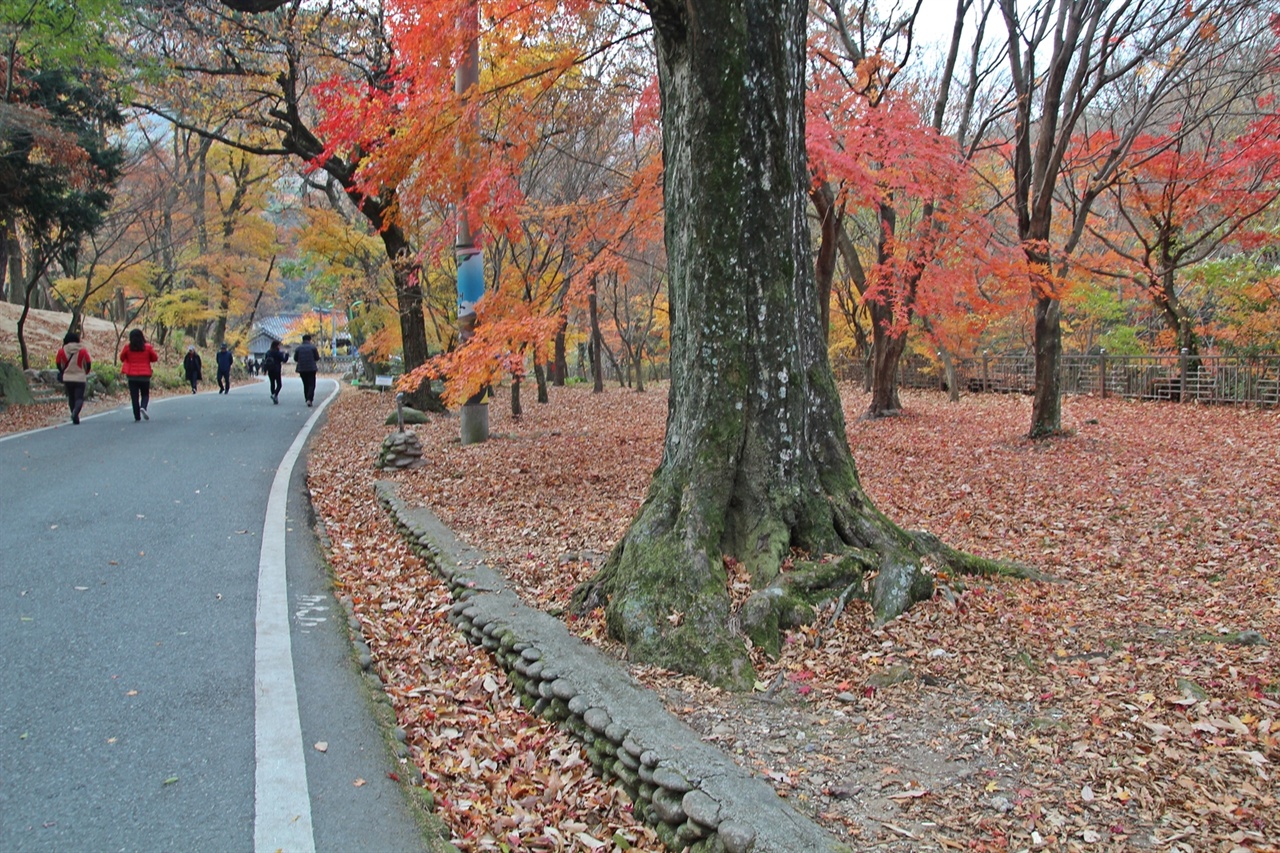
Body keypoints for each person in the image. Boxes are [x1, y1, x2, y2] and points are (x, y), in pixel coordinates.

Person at [120, 329, 159, 421]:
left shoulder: (127, 348)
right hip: (145, 375)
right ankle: (143, 407)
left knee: (134, 396)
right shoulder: (147, 347)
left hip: (132, 376)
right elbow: (155, 358)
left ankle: (137, 416)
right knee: (145, 394)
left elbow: (122, 358)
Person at [55, 332, 92, 425]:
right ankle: (76, 413)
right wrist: (85, 372)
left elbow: (58, 363)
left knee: (71, 397)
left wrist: (64, 371)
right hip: (80, 377)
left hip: (67, 378)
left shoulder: (61, 351)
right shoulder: (82, 351)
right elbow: (88, 363)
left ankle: (74, 415)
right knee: (79, 398)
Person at [293, 333, 320, 407]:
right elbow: (317, 358)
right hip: (311, 368)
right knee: (312, 384)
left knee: (305, 384)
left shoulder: (298, 348)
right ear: (309, 340)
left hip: (302, 368)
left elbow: (295, 359)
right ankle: (309, 399)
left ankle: (307, 398)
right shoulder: (313, 348)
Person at [262, 340, 287, 404]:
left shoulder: (268, 352)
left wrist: (265, 370)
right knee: (279, 384)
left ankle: (274, 396)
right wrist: (286, 354)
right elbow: (284, 360)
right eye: (279, 345)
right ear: (277, 346)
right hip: (277, 370)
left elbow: (265, 362)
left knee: (272, 383)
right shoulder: (278, 353)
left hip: (270, 370)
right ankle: (275, 395)